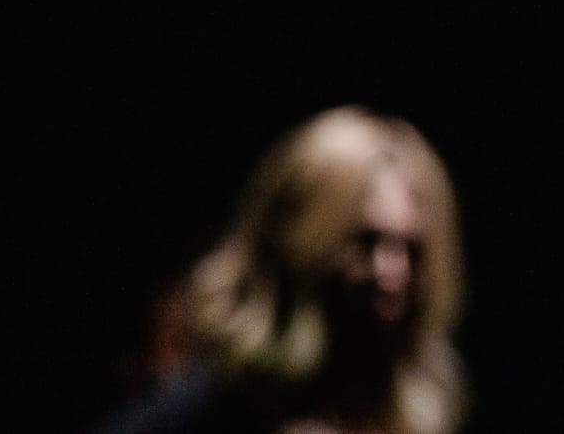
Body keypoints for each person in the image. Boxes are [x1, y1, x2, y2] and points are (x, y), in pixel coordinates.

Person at [94, 106, 467, 434]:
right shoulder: (207, 411)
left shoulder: (423, 416)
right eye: (365, 242)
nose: (391, 271)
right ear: (303, 243)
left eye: (410, 248)